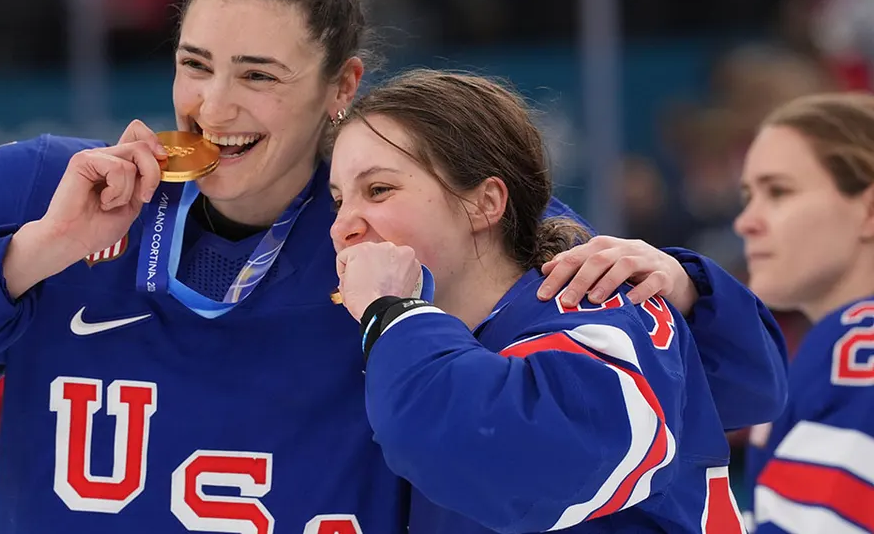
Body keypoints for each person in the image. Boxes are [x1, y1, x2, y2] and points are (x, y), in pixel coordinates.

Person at [0, 0, 784, 533]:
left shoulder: (395, 223)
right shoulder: (42, 190)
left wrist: (687, 288)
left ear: (340, 88)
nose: (213, 106)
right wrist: (33, 252)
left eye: (258, 76)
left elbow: (732, 395)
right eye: (194, 65)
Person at [328, 69, 769, 532]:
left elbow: (504, 462)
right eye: (338, 201)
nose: (344, 226)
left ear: (484, 203)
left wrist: (392, 314)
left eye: (379, 189)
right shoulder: (438, 340)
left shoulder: (595, 310)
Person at [734, 93, 874, 534]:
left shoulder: (854, 344)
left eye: (778, 192)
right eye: (747, 196)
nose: (746, 222)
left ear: (869, 210)